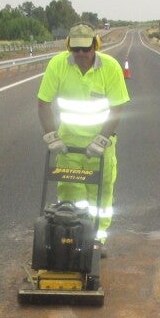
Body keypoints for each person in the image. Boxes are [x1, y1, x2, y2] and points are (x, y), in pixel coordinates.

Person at [37, 23, 129, 251]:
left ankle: (97, 240)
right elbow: (43, 103)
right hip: (68, 146)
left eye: (85, 49)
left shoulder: (110, 67)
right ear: (69, 47)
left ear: (95, 46)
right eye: (75, 49)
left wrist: (101, 139)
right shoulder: (58, 65)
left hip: (100, 146)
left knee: (100, 197)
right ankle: (69, 238)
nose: (80, 54)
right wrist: (52, 136)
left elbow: (117, 107)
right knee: (70, 195)